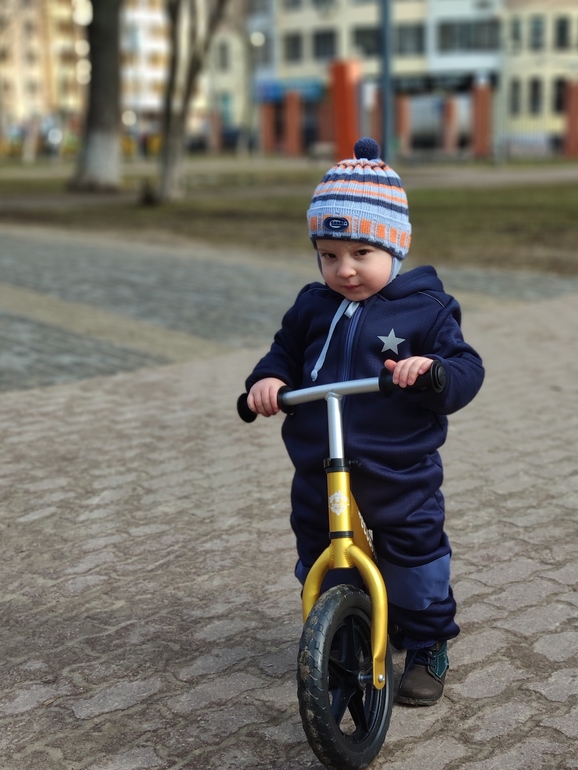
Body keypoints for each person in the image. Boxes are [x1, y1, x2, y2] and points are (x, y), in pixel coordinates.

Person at [244, 137, 484, 706]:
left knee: (414, 552)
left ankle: (426, 640)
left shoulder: (426, 309)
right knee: (324, 551)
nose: (344, 269)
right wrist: (267, 381)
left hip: (398, 464)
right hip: (320, 465)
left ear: (394, 247)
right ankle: (346, 629)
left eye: (360, 253)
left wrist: (433, 372)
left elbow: (466, 367)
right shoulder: (312, 305)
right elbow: (283, 353)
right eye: (328, 255)